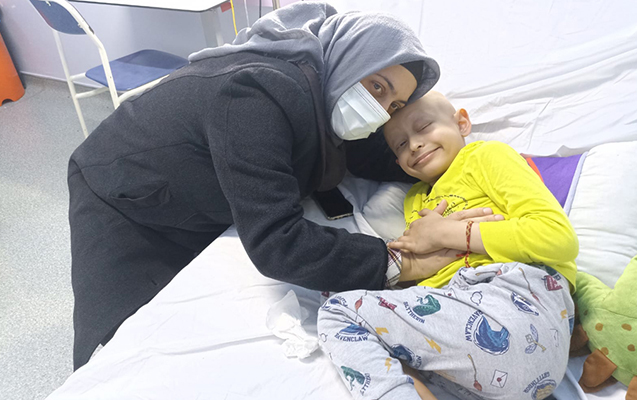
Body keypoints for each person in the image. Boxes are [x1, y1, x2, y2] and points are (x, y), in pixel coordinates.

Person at [67, 3, 505, 370]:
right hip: (127, 194)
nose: (379, 111)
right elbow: (278, 243)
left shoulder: (328, 90)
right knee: (119, 351)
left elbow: (372, 154)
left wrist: (465, 164)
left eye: (393, 105)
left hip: (202, 190)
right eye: (376, 87)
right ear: (348, 59)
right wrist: (401, 262)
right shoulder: (255, 93)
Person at [317, 92, 578, 400]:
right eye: (400, 144)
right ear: (398, 162)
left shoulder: (485, 156)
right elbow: (429, 278)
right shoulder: (415, 198)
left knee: (339, 314)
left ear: (462, 123)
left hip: (517, 306)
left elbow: (558, 237)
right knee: (356, 313)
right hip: (477, 366)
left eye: (424, 127)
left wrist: (448, 233)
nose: (414, 145)